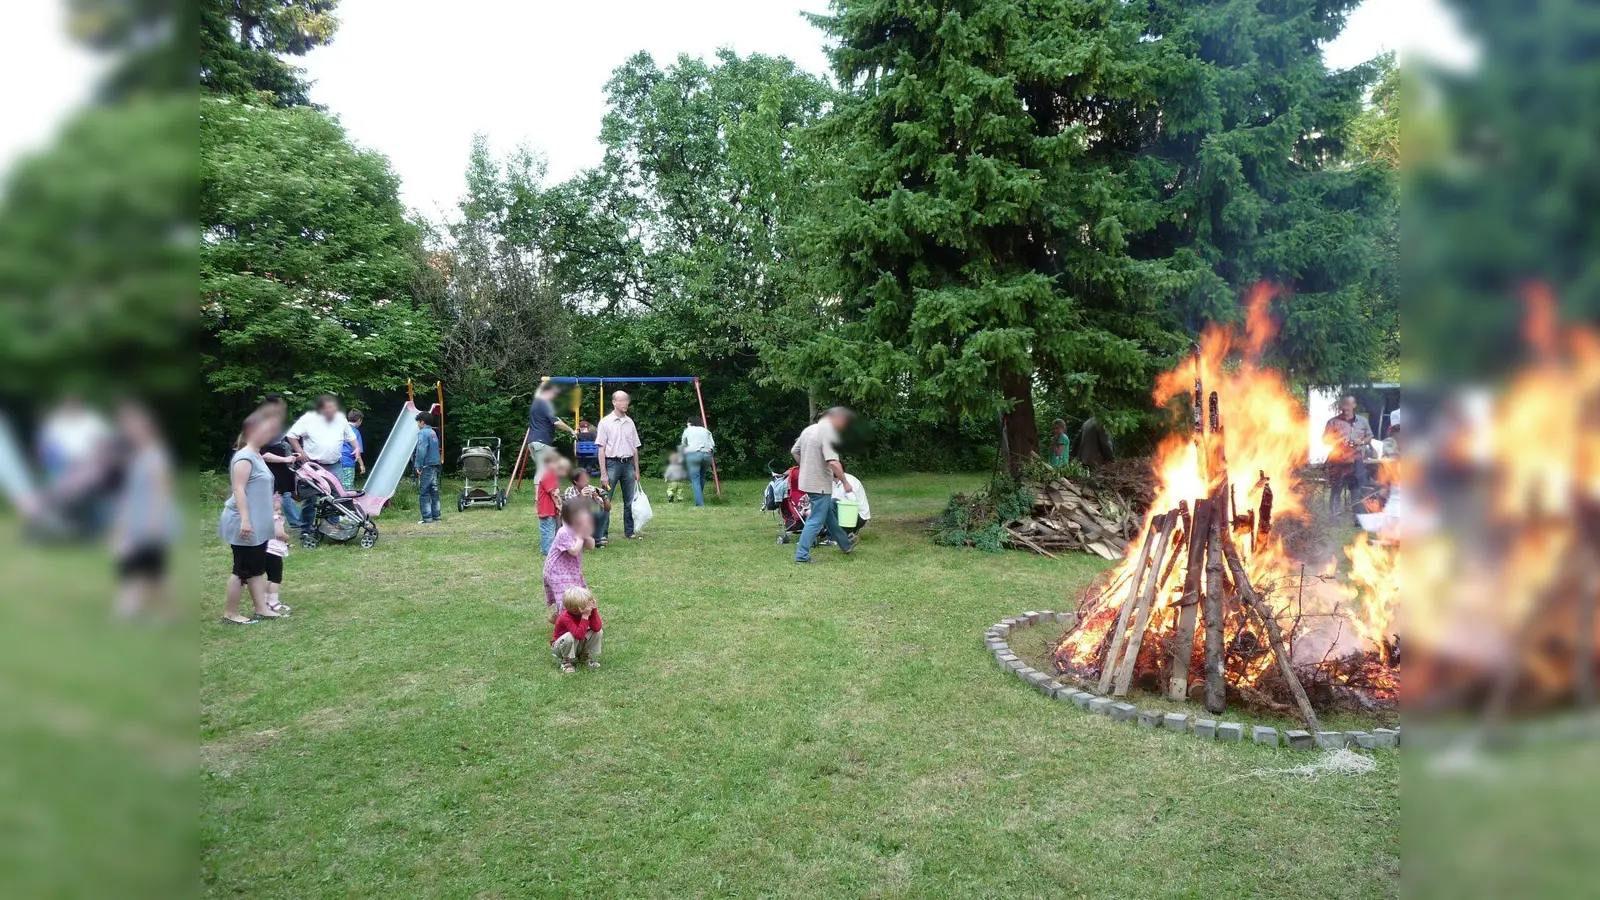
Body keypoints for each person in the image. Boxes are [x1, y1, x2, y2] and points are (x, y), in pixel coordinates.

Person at [218, 408, 287, 624]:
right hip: (244, 522)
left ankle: (262, 609)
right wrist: (246, 520)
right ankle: (230, 614)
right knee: (242, 570)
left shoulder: (257, 455)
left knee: (257, 568)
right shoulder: (245, 457)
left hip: (258, 523)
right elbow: (238, 490)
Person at [110, 400, 176, 619]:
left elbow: (161, 493)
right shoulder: (136, 456)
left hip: (151, 520)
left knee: (146, 568)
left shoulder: (156, 456)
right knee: (152, 571)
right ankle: (160, 610)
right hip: (136, 518)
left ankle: (130, 609)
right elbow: (129, 493)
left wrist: (153, 524)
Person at [790, 407, 857, 563]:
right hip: (820, 484)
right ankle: (801, 555)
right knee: (816, 520)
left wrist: (805, 467)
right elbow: (833, 462)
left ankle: (846, 544)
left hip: (807, 482)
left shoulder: (808, 430)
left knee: (828, 516)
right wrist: (845, 483)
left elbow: (794, 451)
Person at [287, 394, 361, 526]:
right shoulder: (308, 419)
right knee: (309, 498)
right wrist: (300, 451)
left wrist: (356, 447)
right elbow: (291, 435)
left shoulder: (340, 419)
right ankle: (306, 528)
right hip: (312, 466)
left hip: (334, 464)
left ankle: (333, 525)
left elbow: (350, 436)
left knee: (336, 497)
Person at [595, 391, 643, 540]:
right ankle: (602, 534)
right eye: (621, 401)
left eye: (626, 401)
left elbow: (635, 447)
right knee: (605, 499)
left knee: (629, 500)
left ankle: (629, 532)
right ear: (614, 402)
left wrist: (637, 469)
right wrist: (603, 474)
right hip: (611, 465)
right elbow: (601, 449)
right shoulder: (605, 422)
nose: (625, 403)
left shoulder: (630, 422)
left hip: (628, 464)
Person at [1323, 394, 1374, 520]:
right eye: (1343, 406)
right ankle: (1335, 519)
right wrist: (1338, 441)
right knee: (1336, 489)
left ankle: (1358, 519)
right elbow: (1325, 440)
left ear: (1354, 405)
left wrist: (1360, 442)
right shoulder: (1333, 422)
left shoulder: (1363, 421)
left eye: (1348, 406)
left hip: (1356, 460)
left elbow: (1369, 436)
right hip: (1338, 461)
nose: (1345, 409)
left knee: (1356, 489)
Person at [543, 501, 595, 620]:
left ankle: (560, 618)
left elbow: (591, 546)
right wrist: (580, 539)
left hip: (571, 570)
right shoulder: (564, 531)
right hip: (556, 571)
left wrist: (586, 535)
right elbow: (573, 551)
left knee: (580, 594)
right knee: (565, 597)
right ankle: (564, 622)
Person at [258, 394, 303, 530]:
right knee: (274, 503)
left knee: (284, 498)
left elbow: (280, 446)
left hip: (284, 474)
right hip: (272, 474)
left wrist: (292, 455)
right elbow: (263, 454)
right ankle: (270, 531)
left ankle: (292, 523)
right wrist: (285, 459)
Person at [527, 382, 575, 487]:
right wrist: (571, 429)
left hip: (532, 441)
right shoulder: (545, 405)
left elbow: (555, 419)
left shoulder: (536, 405)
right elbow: (556, 423)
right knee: (543, 469)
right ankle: (538, 498)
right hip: (541, 442)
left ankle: (546, 495)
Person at [550, 586, 603, 674]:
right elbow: (579, 635)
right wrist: (585, 616)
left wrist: (594, 610)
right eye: (587, 604)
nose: (589, 606)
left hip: (576, 645)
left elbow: (597, 628)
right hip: (560, 648)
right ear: (575, 610)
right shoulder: (565, 617)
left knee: (598, 632)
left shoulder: (587, 611)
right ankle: (566, 662)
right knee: (569, 636)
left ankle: (585, 657)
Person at [562, 467, 611, 547]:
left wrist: (604, 497)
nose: (587, 481)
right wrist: (581, 497)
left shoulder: (591, 489)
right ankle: (578, 539)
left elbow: (607, 508)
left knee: (602, 511)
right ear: (575, 481)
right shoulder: (569, 491)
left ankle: (596, 539)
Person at [679, 415, 716, 506]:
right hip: (707, 454)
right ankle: (699, 497)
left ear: (690, 422)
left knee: (695, 479)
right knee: (702, 477)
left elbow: (683, 444)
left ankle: (699, 504)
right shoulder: (706, 430)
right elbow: (713, 444)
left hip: (694, 454)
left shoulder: (688, 430)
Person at [538, 453, 571, 554]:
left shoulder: (550, 475)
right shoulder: (549, 475)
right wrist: (559, 506)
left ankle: (548, 548)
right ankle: (547, 550)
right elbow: (554, 493)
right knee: (548, 530)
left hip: (546, 509)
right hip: (547, 509)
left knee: (548, 529)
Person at [413, 411, 442, 524]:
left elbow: (421, 450)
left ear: (422, 421)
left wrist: (418, 465)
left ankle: (426, 517)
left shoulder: (423, 433)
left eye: (418, 422)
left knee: (424, 491)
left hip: (427, 464)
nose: (417, 425)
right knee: (433, 490)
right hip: (435, 463)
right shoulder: (432, 432)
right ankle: (437, 515)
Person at [265, 494, 292, 615]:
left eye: (279, 509)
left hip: (264, 550)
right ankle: (274, 602)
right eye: (276, 509)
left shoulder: (261, 517)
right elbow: (279, 534)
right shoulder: (274, 518)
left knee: (269, 577)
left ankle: (265, 601)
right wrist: (287, 537)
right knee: (276, 578)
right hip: (274, 551)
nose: (279, 511)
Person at [340, 409, 366, 490]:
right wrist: (361, 465)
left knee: (337, 486)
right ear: (359, 420)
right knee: (348, 486)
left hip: (335, 461)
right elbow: (357, 452)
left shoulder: (341, 429)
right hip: (348, 462)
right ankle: (346, 502)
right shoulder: (355, 432)